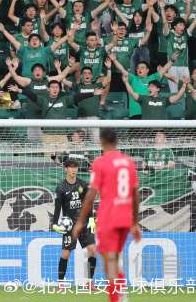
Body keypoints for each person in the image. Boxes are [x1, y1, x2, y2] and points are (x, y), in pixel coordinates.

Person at [73, 129, 142, 302]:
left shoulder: (101, 162)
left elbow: (91, 195)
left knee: (110, 264)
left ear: (101, 141)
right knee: (114, 261)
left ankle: (119, 299)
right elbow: (135, 194)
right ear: (117, 142)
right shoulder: (128, 162)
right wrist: (134, 222)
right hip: (125, 218)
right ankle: (121, 297)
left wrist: (80, 221)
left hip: (109, 218)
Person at [52, 159, 97, 284]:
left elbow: (88, 203)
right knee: (66, 254)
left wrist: (91, 219)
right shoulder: (61, 187)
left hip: (84, 222)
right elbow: (58, 207)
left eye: (75, 167)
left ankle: (89, 282)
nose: (74, 170)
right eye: (71, 167)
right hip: (69, 224)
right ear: (66, 169)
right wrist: (54, 224)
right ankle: (61, 283)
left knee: (92, 250)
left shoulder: (82, 184)